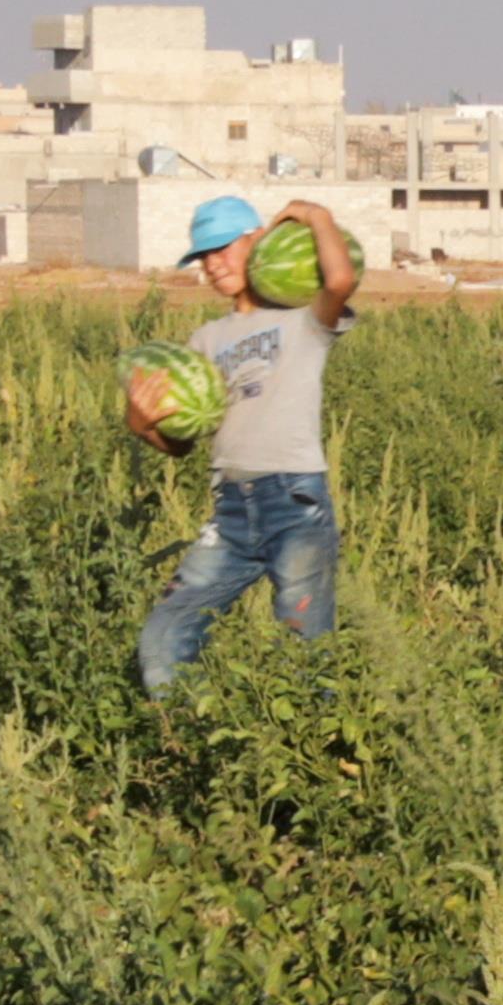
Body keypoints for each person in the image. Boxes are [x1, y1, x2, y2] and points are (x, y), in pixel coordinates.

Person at [134, 194, 364, 694]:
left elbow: (341, 279)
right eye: (202, 256)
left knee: (306, 650)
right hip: (231, 510)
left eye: (222, 248)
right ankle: (184, 745)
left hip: (294, 502)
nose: (213, 264)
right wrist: (142, 423)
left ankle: (321, 756)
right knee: (164, 635)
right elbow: (180, 445)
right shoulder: (206, 339)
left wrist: (316, 216)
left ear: (256, 241)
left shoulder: (301, 319)